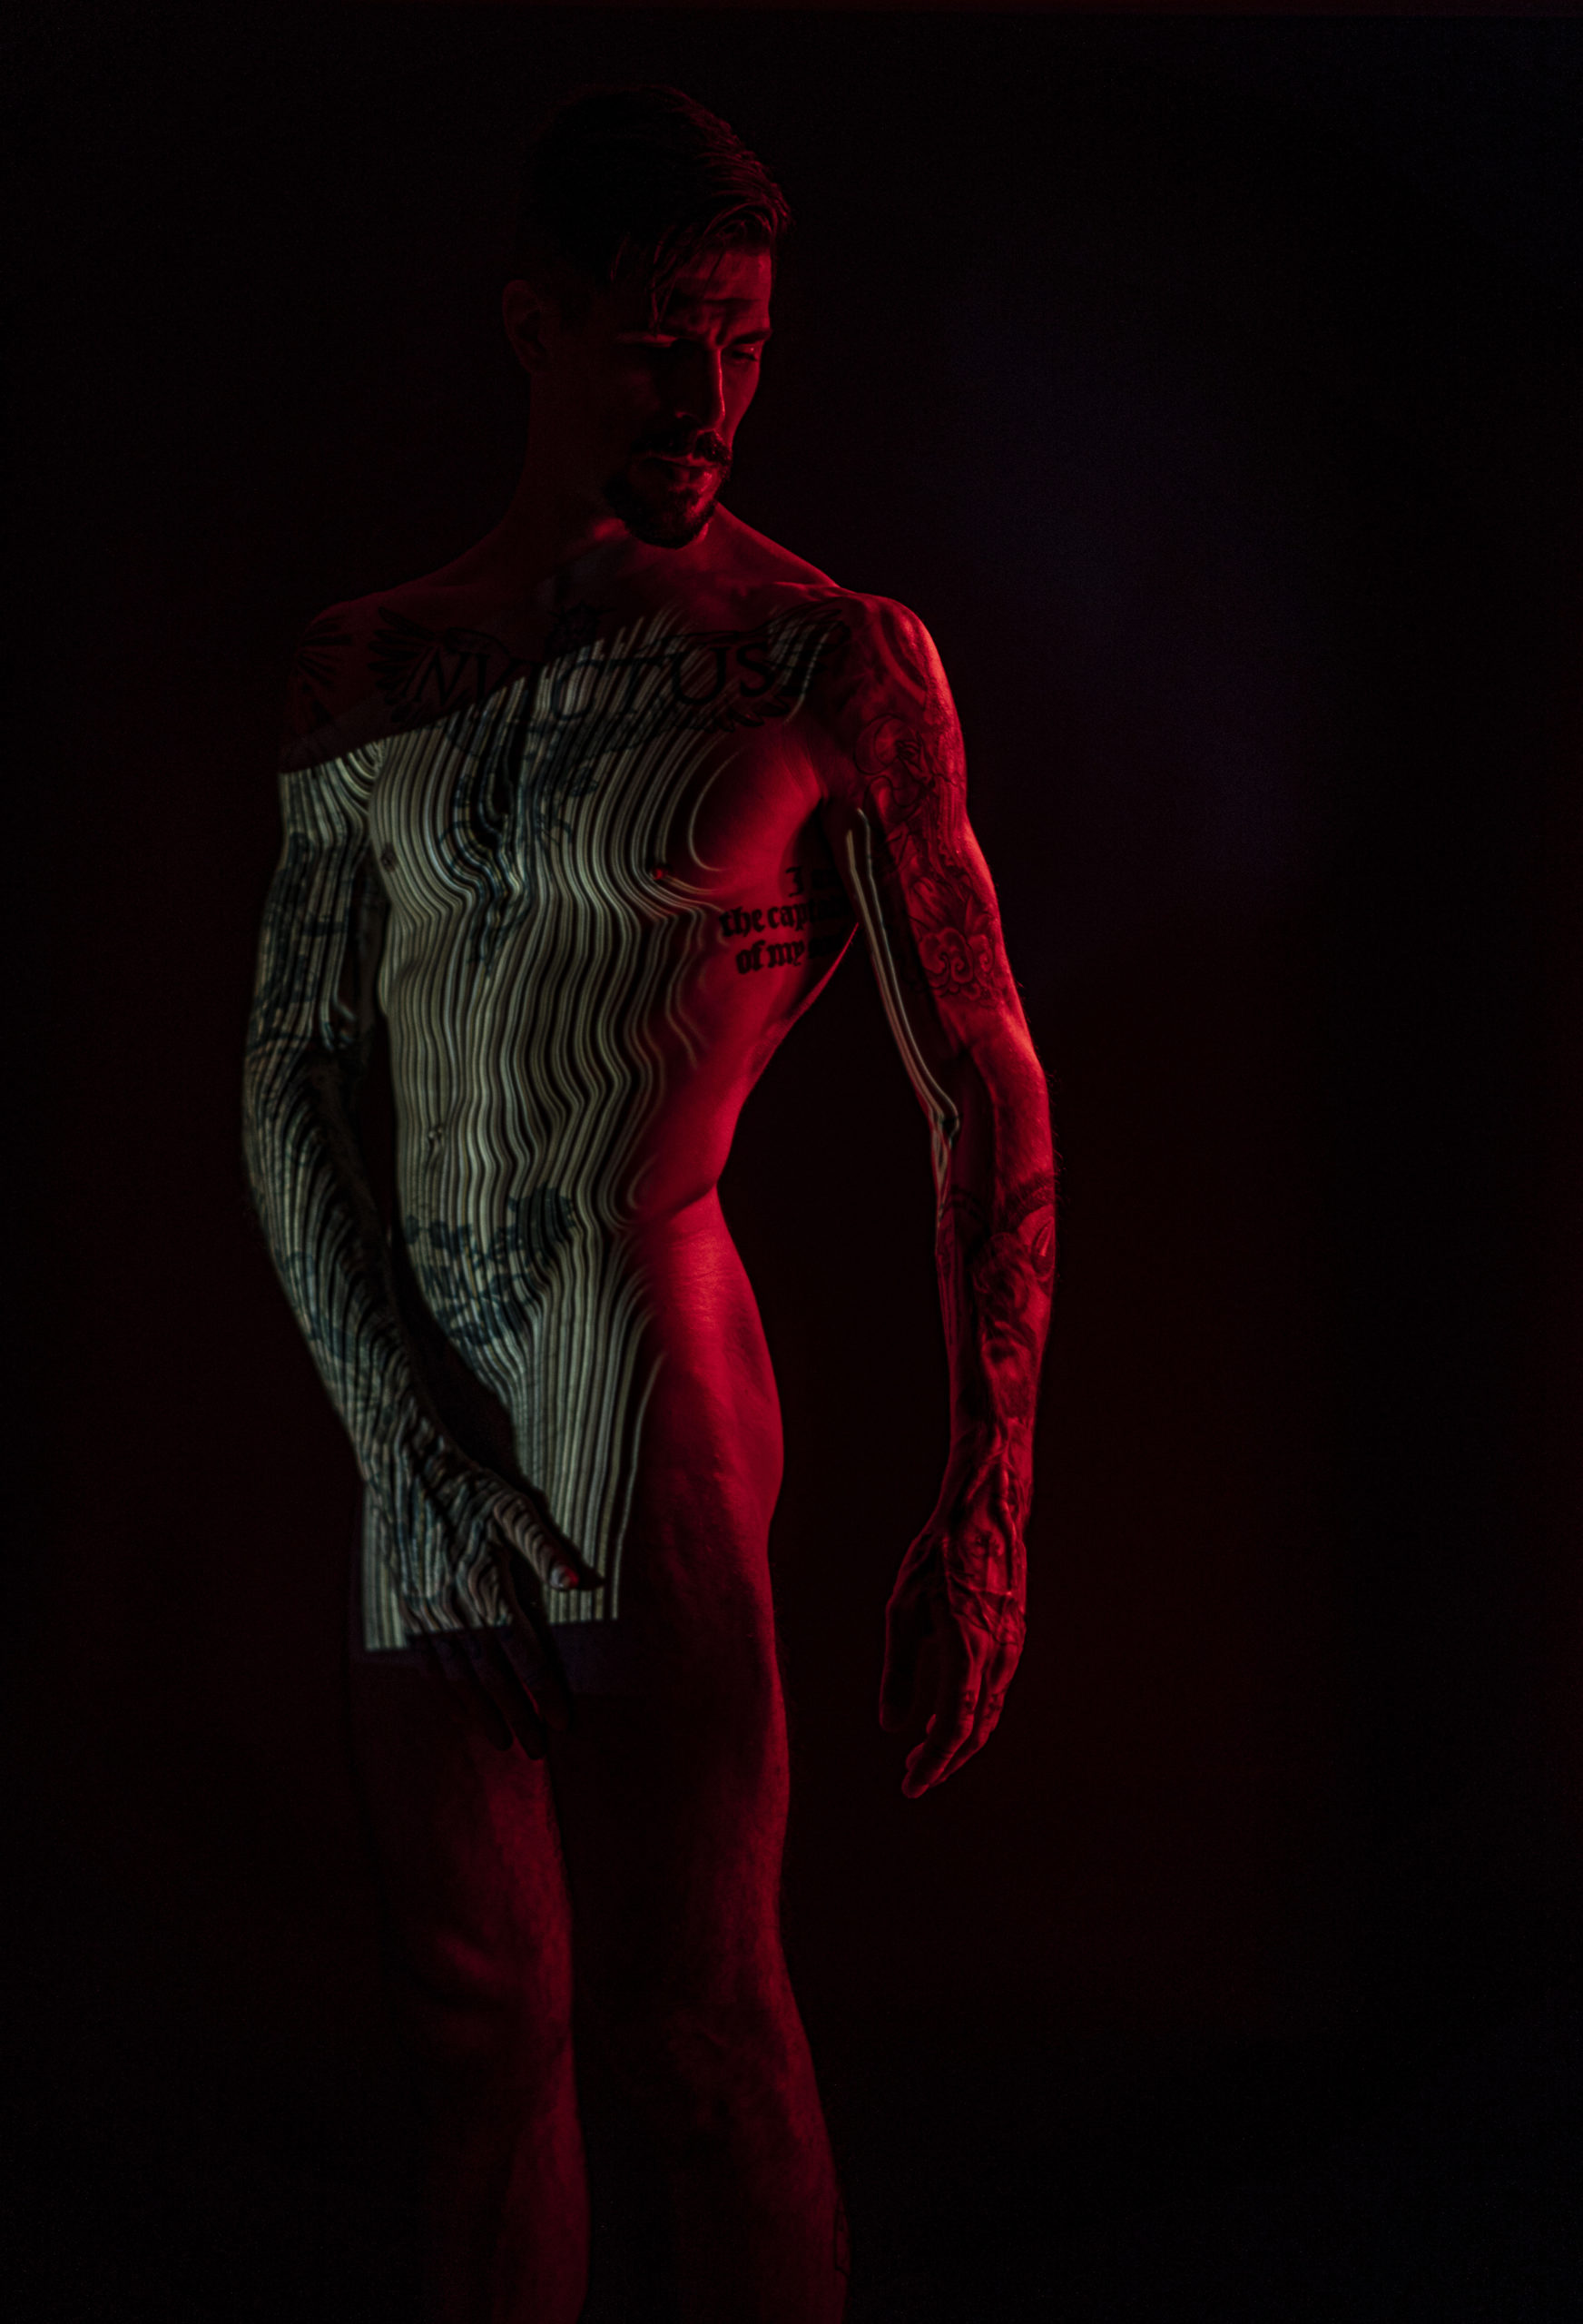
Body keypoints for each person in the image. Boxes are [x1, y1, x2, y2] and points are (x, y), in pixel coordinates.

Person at [243, 83, 1055, 2324]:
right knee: (476, 2028)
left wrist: (987, 1497)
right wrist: (404, 1441)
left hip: (649, 1363)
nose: (706, 394)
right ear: (535, 327)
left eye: (744, 343)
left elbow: (984, 1079)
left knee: (693, 2021)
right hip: (418, 1396)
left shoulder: (823, 659)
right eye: (655, 342)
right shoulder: (371, 663)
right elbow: (293, 1073)